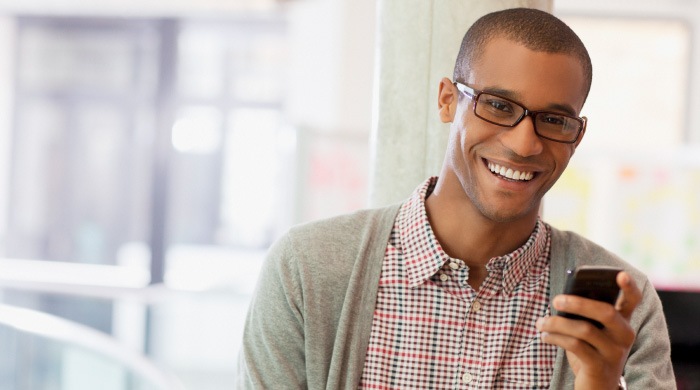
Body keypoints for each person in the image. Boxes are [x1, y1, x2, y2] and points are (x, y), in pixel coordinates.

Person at [237, 7, 676, 390]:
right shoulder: (308, 271)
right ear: (448, 101)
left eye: (554, 120)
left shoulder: (625, 307)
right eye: (499, 106)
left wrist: (599, 385)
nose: (525, 144)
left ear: (576, 137)